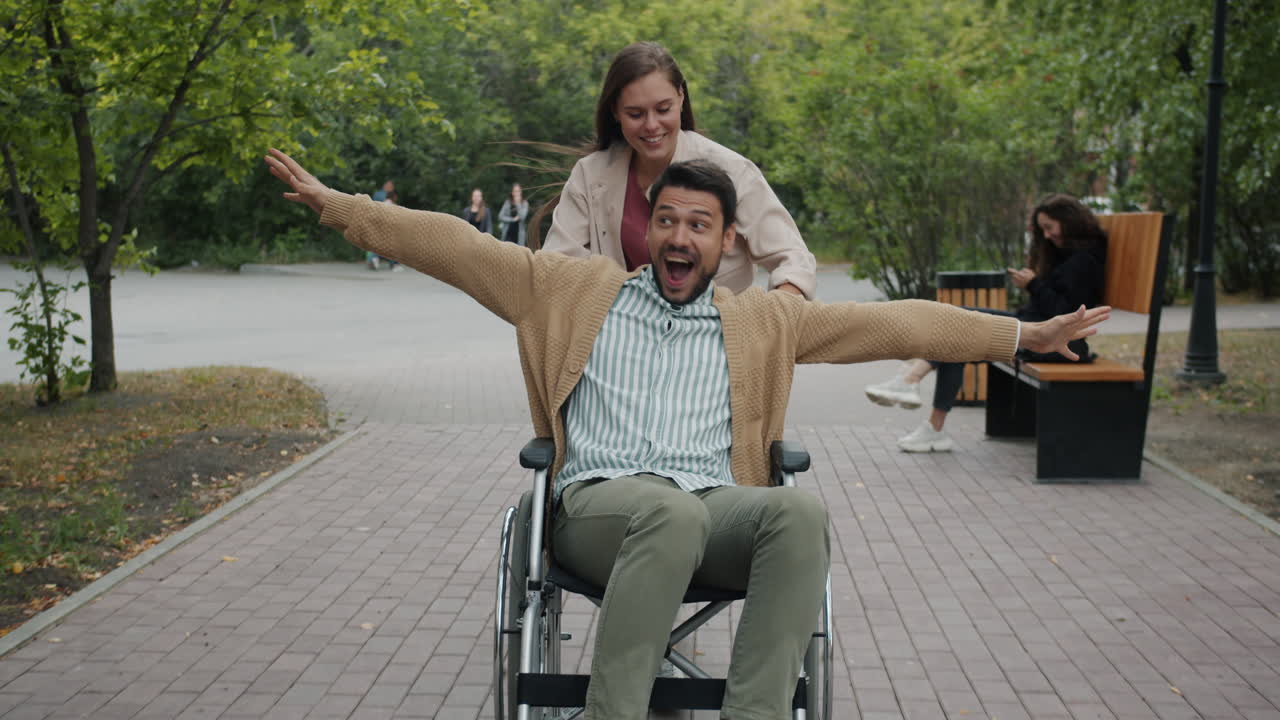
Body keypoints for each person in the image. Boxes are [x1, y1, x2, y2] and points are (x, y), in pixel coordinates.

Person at [265, 149, 1109, 719]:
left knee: (798, 513)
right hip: (600, 508)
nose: (679, 236)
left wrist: (1024, 335)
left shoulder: (761, 322)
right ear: (648, 229)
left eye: (699, 225)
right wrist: (346, 211)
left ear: (725, 241)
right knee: (665, 512)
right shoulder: (571, 292)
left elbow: (896, 323)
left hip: (712, 509)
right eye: (667, 219)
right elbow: (456, 247)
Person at [539, 41, 817, 299]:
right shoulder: (590, 174)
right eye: (635, 114)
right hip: (621, 332)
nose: (651, 125)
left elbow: (793, 259)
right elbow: (556, 267)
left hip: (717, 331)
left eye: (663, 109)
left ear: (681, 97)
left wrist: (770, 318)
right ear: (615, 111)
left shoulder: (733, 171)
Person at [864, 192, 1108, 453]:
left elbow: (1067, 314)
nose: (1047, 235)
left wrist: (1033, 284)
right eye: (1042, 230)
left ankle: (913, 383)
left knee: (957, 331)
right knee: (955, 325)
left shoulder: (1084, 261)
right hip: (1033, 327)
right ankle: (920, 401)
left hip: (1053, 341)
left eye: (1049, 227)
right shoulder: (1065, 254)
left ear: (1068, 221)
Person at [367, 179, 396, 270]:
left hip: (378, 222)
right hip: (385, 224)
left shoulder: (377, 194)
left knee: (377, 242)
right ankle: (392, 263)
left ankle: (374, 259)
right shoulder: (385, 197)